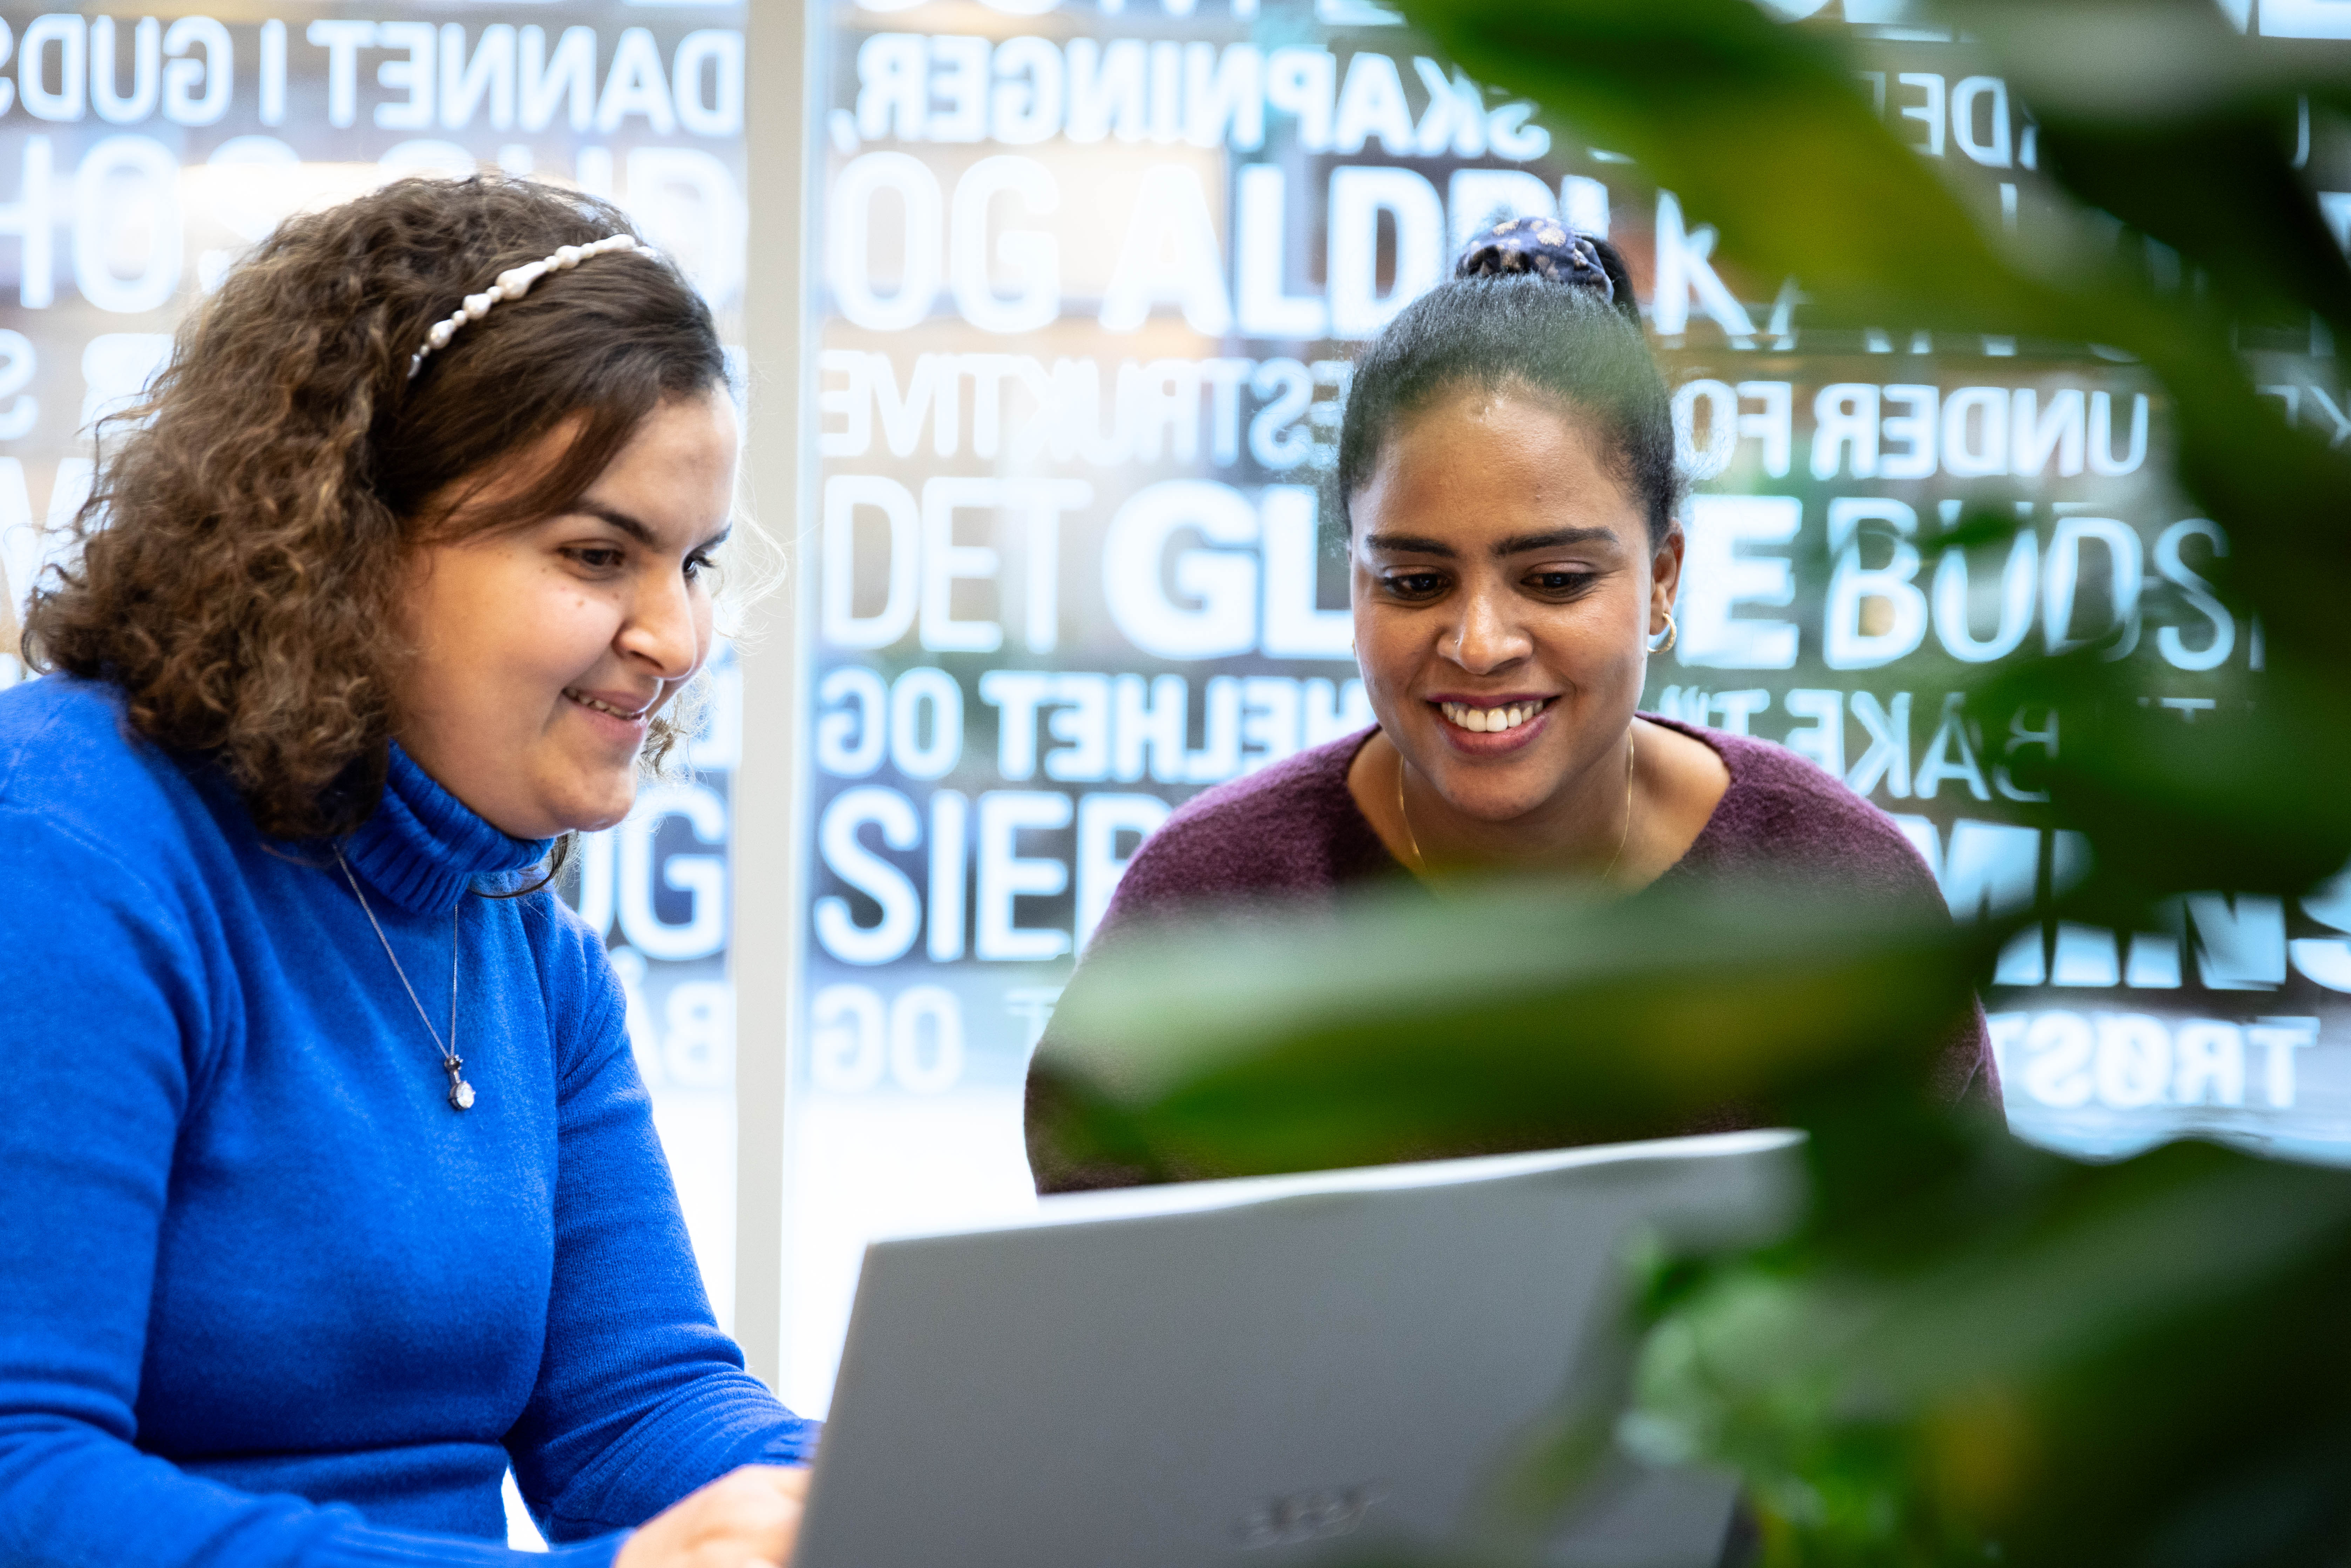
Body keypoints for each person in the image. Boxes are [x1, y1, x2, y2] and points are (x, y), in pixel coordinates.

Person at [1, 177, 811, 1568]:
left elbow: (633, 1410)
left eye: (693, 565)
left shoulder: (515, 930)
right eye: (598, 554)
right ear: (342, 542)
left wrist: (871, 1501)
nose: (678, 638)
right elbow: (21, 1482)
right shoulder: (64, 848)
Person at [1027, 219, 1997, 1194]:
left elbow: (1960, 1265)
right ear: (1353, 582)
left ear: (1662, 578)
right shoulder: (1208, 912)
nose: (1480, 644)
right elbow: (1096, 1271)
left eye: (1555, 579)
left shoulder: (1837, 900)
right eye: (1414, 583)